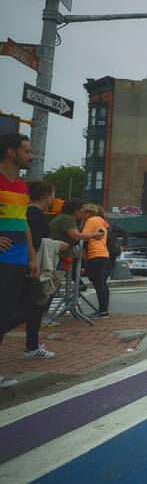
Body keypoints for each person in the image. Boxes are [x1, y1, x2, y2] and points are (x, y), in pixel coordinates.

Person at [0, 133, 40, 388]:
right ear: (11, 153)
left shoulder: (23, 187)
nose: (32, 156)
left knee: (33, 295)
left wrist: (32, 257)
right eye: (27, 151)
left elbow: (22, 222)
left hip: (19, 260)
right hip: (2, 259)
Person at [23, 180, 63, 359]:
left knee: (31, 306)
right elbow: (37, 241)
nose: (54, 198)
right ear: (47, 195)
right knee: (34, 306)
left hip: (25, 264)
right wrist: (57, 245)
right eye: (53, 194)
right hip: (33, 266)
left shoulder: (26, 212)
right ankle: (31, 347)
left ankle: (32, 346)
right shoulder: (37, 214)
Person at [81, 203, 112, 319]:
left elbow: (84, 236)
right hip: (103, 254)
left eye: (83, 213)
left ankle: (103, 311)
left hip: (95, 254)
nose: (81, 216)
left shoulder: (91, 220)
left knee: (98, 284)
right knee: (102, 284)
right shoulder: (101, 220)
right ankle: (104, 309)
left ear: (87, 213)